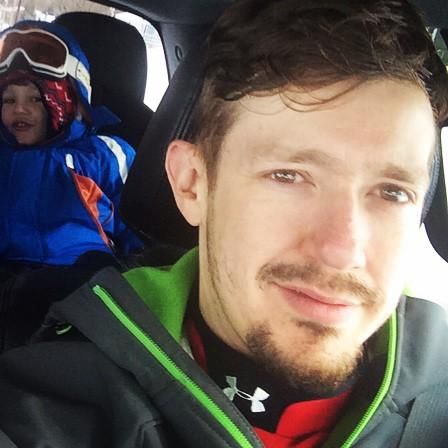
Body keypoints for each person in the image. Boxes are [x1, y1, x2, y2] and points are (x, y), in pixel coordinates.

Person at [1, 0, 448, 446]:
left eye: (392, 192)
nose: (343, 250)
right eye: (288, 176)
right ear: (192, 185)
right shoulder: (55, 406)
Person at [0, 21, 142, 350]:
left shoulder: (103, 155)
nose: (20, 108)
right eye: (8, 99)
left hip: (76, 278)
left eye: (35, 99)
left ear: (67, 102)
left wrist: (137, 263)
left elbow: (139, 219)